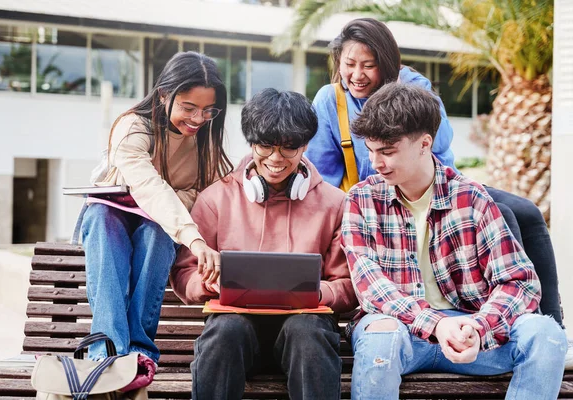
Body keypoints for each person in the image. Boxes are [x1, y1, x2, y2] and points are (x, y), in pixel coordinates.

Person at [305, 17, 563, 327]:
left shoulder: (413, 86)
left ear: (386, 63)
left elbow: (440, 147)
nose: (357, 75)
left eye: (369, 65)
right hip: (374, 198)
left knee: (527, 212)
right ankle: (512, 321)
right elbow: (324, 172)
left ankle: (548, 322)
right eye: (349, 64)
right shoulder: (330, 102)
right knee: (505, 213)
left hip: (435, 186)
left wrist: (403, 101)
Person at [342, 82, 567, 400]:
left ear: (424, 144)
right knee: (381, 336)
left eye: (388, 151)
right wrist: (436, 324)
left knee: (546, 333)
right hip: (400, 330)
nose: (376, 163)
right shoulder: (361, 199)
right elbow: (371, 289)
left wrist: (480, 327)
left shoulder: (471, 196)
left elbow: (518, 282)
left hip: (471, 334)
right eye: (372, 151)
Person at [170, 88, 358, 400]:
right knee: (225, 331)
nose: (275, 159)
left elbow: (349, 284)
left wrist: (317, 292)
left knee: (309, 332)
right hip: (237, 330)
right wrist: (209, 283)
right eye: (265, 146)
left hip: (304, 329)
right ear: (251, 141)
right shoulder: (216, 199)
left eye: (288, 149)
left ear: (306, 145)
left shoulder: (334, 204)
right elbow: (183, 274)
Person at [80, 52, 234, 364]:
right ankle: (106, 353)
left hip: (160, 230)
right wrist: (193, 236)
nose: (197, 119)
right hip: (111, 221)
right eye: (188, 108)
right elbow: (149, 185)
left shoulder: (205, 140)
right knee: (101, 217)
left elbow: (206, 193)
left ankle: (138, 353)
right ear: (164, 94)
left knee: (157, 229)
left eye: (208, 111)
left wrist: (175, 203)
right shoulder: (131, 127)